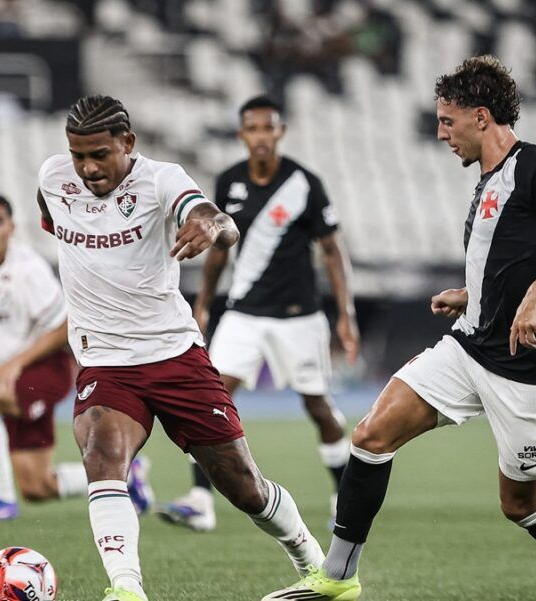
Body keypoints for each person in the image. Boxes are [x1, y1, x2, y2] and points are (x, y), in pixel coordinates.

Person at [264, 55, 536, 601]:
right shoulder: (486, 181)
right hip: (470, 348)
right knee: (370, 436)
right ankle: (336, 578)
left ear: (481, 116)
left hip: (530, 367)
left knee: (519, 505)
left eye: (447, 121)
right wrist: (472, 294)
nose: (440, 133)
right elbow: (509, 259)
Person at [37, 95, 324, 601]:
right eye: (78, 155)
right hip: (104, 359)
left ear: (128, 143)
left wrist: (212, 226)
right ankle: (126, 590)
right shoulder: (52, 180)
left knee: (242, 485)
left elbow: (221, 221)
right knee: (102, 453)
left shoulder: (162, 179)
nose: (87, 167)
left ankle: (317, 566)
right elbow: (53, 219)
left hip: (173, 355)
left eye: (100, 154)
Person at [157, 95, 358, 533]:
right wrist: (205, 302)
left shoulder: (305, 183)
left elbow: (332, 250)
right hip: (244, 313)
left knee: (319, 407)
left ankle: (345, 496)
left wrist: (346, 314)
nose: (261, 136)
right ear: (241, 134)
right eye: (253, 129)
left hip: (299, 316)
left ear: (280, 132)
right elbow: (216, 253)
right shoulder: (229, 181)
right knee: (208, 400)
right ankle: (199, 501)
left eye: (269, 128)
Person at [0, 194, 153, 521]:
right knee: (38, 486)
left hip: (47, 369)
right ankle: (127, 476)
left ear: (12, 228)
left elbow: (65, 327)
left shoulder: (28, 268)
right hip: (6, 375)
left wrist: (14, 365)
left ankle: (0, 499)